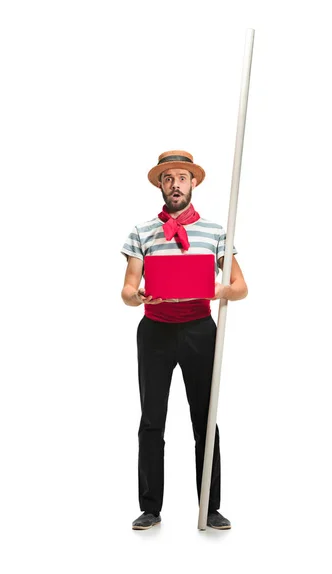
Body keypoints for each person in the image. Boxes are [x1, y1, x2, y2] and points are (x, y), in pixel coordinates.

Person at [121, 150, 248, 530]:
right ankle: (150, 507)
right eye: (168, 178)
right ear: (160, 185)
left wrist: (216, 289)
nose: (175, 184)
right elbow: (127, 289)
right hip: (155, 331)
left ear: (193, 183)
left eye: (181, 177)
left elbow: (241, 287)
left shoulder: (216, 231)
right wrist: (138, 296)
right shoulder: (142, 231)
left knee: (205, 420)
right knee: (151, 421)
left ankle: (210, 507)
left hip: (199, 331)